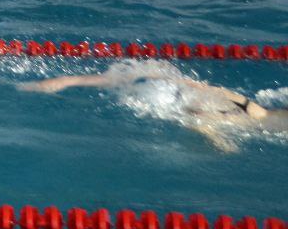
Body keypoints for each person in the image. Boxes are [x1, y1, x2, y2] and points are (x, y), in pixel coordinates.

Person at [17, 61, 288, 152]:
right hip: (166, 96)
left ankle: (68, 80)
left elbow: (203, 90)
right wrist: (216, 138)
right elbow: (197, 116)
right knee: (131, 84)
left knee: (124, 80)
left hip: (171, 86)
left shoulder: (252, 108)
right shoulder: (247, 118)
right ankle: (68, 81)